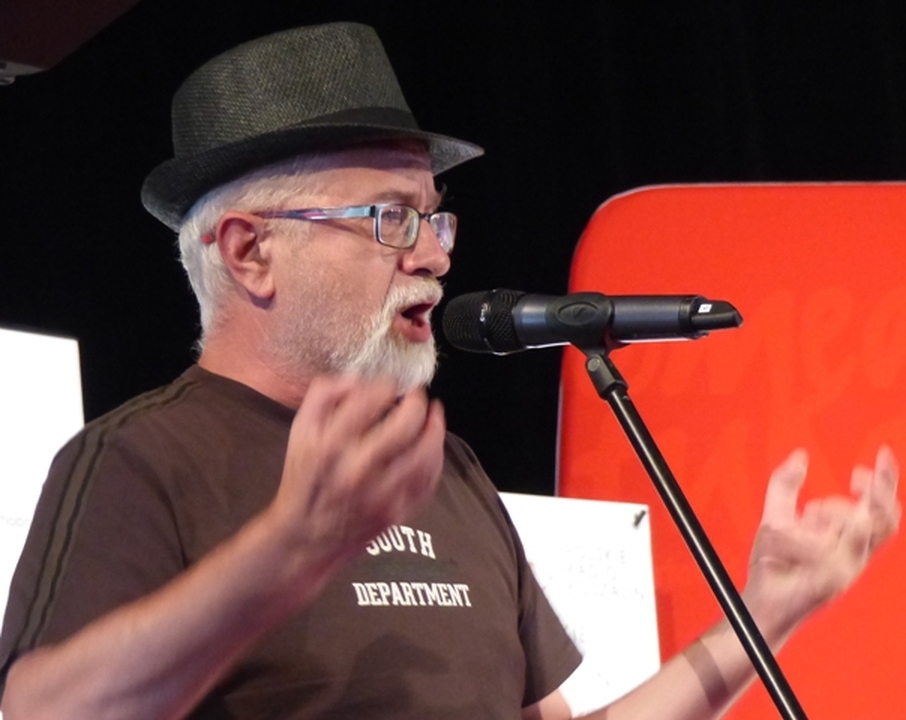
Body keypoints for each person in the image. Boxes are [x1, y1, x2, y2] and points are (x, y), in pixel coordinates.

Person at [0, 21, 900, 720]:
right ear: (250, 252)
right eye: (391, 218)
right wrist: (284, 553)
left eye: (435, 219)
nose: (433, 255)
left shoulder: (447, 470)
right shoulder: (140, 459)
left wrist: (762, 619)